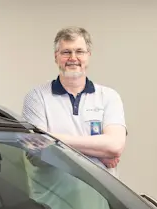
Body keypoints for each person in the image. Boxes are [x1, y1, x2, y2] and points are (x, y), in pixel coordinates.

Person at [21, 26, 127, 173]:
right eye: (66, 52)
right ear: (56, 57)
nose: (73, 58)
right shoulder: (37, 97)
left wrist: (50, 138)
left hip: (98, 188)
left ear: (88, 55)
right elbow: (36, 155)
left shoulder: (109, 96)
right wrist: (99, 151)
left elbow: (115, 146)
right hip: (52, 189)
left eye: (79, 51)